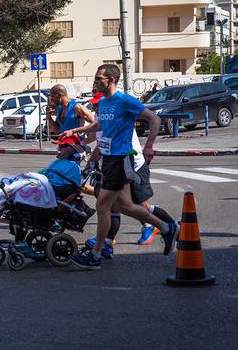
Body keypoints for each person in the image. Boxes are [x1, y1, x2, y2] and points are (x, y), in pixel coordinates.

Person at [60, 64, 179, 270]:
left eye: (99, 79)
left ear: (111, 80)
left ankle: (96, 254)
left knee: (102, 206)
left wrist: (149, 146)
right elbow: (99, 125)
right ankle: (167, 228)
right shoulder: (104, 103)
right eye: (96, 79)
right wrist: (75, 130)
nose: (95, 82)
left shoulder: (124, 100)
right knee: (126, 206)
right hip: (109, 160)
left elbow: (155, 119)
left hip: (120, 158)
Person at [81, 90, 176, 257]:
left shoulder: (116, 110)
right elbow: (96, 137)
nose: (95, 107)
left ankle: (168, 226)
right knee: (114, 205)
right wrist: (78, 139)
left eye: (97, 104)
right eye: (94, 105)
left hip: (133, 163)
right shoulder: (102, 115)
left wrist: (89, 163)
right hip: (115, 164)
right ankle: (105, 244)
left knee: (139, 205)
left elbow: (101, 144)